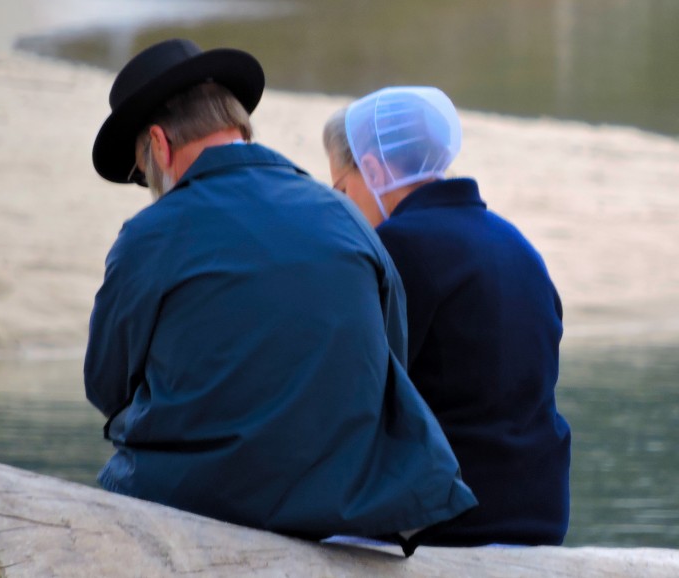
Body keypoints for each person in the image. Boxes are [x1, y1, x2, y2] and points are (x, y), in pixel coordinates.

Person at [84, 39, 476, 542]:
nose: (152, 186)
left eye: (143, 172)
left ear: (159, 145)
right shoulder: (347, 218)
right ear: (239, 126)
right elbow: (389, 357)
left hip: (192, 501)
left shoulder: (150, 235)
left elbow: (106, 385)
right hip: (347, 505)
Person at [323, 86, 572, 547]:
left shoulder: (395, 248)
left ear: (373, 169)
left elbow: (347, 396)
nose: (342, 206)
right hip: (541, 512)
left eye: (341, 189)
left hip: (453, 521)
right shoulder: (516, 245)